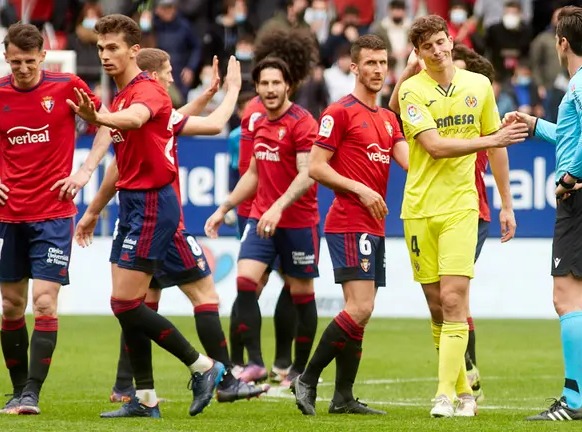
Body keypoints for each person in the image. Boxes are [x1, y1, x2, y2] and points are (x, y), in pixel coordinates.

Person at [79, 48, 269, 405]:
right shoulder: (140, 106)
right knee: (203, 297)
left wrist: (211, 95)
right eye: (166, 71)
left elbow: (181, 119)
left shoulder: (141, 108)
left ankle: (128, 387)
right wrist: (231, 90)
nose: (170, 77)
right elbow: (207, 125)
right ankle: (221, 376)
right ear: (151, 75)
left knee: (137, 303)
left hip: (142, 216)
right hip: (164, 222)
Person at [69, 14, 224, 419]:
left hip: (155, 203)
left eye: (113, 47)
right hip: (132, 205)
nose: (105, 55)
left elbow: (136, 119)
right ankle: (146, 399)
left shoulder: (148, 91)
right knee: (128, 303)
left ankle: (203, 366)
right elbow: (119, 165)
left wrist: (98, 118)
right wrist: (92, 211)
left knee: (125, 304)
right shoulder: (120, 97)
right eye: (101, 48)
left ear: (134, 51)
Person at [0, 23, 112, 416]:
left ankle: (31, 394)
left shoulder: (66, 86)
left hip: (55, 215)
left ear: (43, 56)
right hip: (10, 216)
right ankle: (16, 392)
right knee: (12, 306)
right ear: (5, 58)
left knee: (45, 303)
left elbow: (105, 126)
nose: (23, 68)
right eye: (16, 62)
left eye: (30, 61)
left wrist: (84, 172)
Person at [396, 15, 528, 418]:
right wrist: (492, 138)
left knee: (455, 299)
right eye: (427, 47)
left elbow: (497, 150)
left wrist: (506, 203)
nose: (437, 51)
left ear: (451, 40)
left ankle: (443, 396)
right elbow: (434, 146)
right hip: (418, 209)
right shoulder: (410, 91)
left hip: (461, 206)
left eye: (441, 42)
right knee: (437, 306)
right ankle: (465, 390)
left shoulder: (480, 86)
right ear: (417, 54)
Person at [506, 6, 582, 421]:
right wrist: (534, 124)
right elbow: (579, 132)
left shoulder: (578, 85)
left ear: (562, 43)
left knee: (565, 298)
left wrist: (569, 178)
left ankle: (572, 402)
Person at [291, 34, 408, 416]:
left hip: (373, 227)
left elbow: (416, 163)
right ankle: (307, 379)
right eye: (370, 63)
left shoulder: (390, 121)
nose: (377, 70)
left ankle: (343, 397)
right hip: (347, 222)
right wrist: (360, 188)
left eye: (383, 63)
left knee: (362, 311)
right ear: (355, 67)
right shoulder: (338, 112)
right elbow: (318, 167)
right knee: (359, 308)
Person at [205, 54, 321, 388]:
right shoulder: (255, 121)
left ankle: (299, 370)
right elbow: (254, 173)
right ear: (257, 88)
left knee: (301, 292)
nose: (270, 90)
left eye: (276, 83)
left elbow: (306, 175)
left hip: (298, 220)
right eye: (264, 84)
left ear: (288, 86)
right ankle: (254, 363)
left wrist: (278, 207)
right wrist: (223, 206)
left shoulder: (302, 123)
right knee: (245, 283)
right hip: (262, 219)